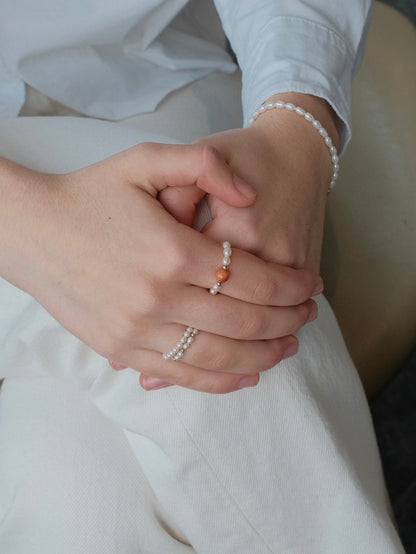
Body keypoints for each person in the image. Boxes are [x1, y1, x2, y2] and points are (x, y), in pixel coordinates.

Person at [0, 0, 405, 552]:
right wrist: (33, 231)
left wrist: (297, 128)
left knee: (87, 517)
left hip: (163, 91)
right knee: (224, 343)